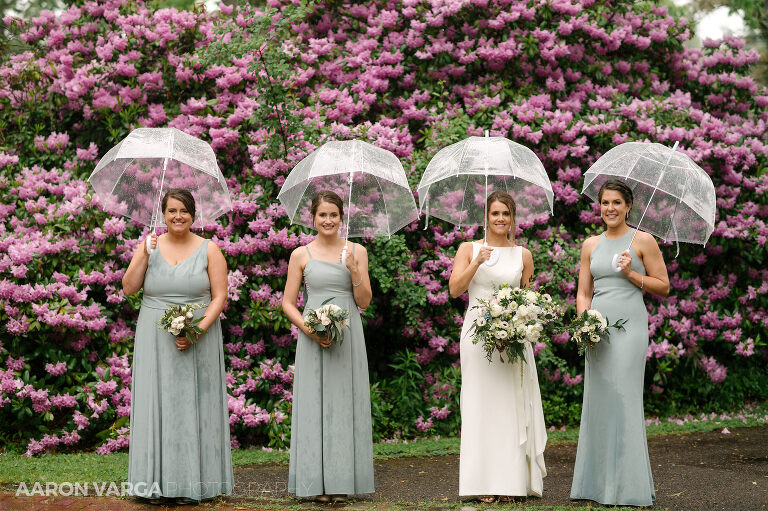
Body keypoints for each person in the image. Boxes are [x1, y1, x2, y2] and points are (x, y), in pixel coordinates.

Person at [122, 188, 233, 505]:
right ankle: (154, 484)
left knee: (193, 405)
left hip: (200, 336)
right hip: (154, 336)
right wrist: (143, 252)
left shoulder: (209, 249)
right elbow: (129, 288)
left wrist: (197, 329)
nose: (178, 216)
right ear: (163, 214)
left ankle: (191, 483)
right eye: (171, 210)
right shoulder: (149, 246)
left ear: (193, 215)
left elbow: (220, 296)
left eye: (184, 210)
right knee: (157, 404)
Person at [570, 179, 670, 507]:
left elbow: (663, 286)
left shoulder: (643, 241)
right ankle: (596, 486)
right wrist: (585, 323)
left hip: (630, 327)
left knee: (623, 397)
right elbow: (584, 292)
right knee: (598, 400)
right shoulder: (589, 245)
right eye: (604, 203)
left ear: (629, 206)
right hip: (598, 329)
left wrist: (631, 274)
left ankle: (627, 487)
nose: (609, 208)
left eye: (616, 203)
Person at [448, 190, 547, 502]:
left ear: (512, 218)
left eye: (506, 213)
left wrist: (519, 327)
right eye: (495, 214)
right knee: (479, 406)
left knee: (510, 407)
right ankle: (481, 484)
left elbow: (528, 300)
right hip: (477, 337)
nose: (501, 219)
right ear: (486, 218)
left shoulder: (523, 255)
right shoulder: (469, 248)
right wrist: (477, 261)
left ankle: (510, 483)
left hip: (513, 340)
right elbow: (454, 289)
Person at [281, 190, 375, 503]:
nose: (328, 220)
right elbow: (287, 303)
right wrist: (310, 330)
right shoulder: (301, 255)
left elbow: (363, 301)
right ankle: (314, 483)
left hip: (348, 338)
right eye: (323, 215)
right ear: (313, 218)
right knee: (314, 405)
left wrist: (354, 270)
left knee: (344, 404)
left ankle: (341, 482)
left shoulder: (356, 251)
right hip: (313, 339)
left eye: (334, 215)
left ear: (341, 217)